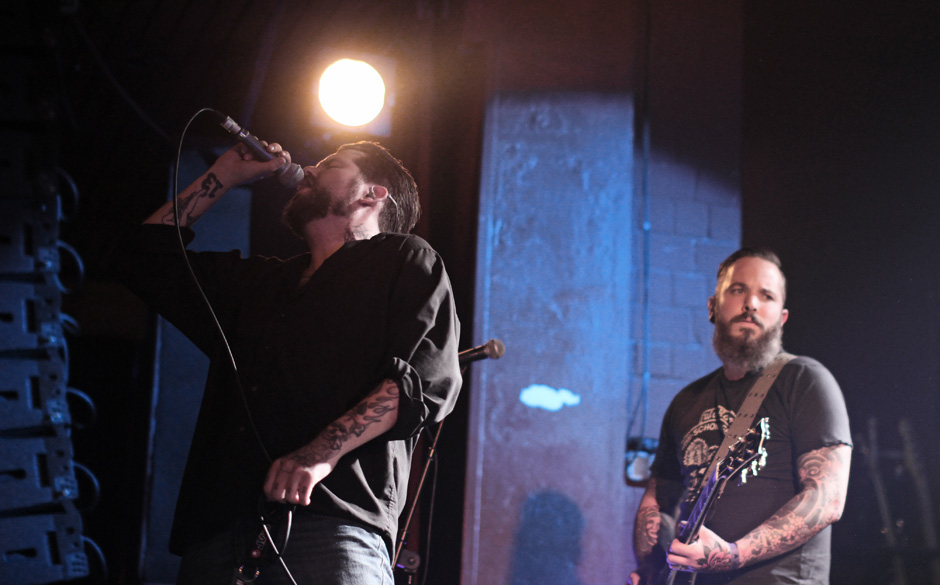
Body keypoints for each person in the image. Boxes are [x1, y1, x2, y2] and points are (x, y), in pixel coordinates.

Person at [116, 138, 462, 585]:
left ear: (372, 193)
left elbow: (425, 382)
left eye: (331, 164)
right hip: (219, 534)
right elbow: (145, 259)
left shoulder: (405, 259)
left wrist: (320, 454)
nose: (310, 169)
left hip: (333, 528)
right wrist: (225, 174)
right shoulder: (261, 283)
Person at [630, 248, 852, 585]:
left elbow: (827, 498)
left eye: (767, 296)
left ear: (782, 318)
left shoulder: (805, 380)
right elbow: (659, 498)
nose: (751, 304)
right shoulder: (686, 401)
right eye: (738, 290)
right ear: (712, 307)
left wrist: (733, 554)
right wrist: (652, 569)